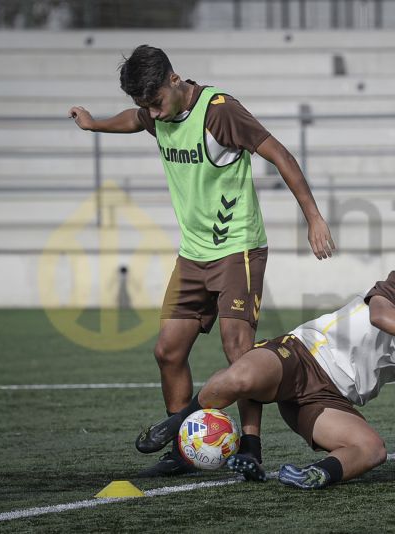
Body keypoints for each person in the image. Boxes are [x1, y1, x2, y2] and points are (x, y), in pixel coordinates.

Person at [69, 45, 335, 477]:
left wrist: (314, 218)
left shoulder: (219, 112)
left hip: (237, 251)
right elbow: (135, 121)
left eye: (155, 103)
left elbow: (281, 155)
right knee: (167, 351)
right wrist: (95, 124)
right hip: (192, 255)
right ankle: (182, 448)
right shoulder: (158, 116)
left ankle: (250, 448)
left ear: (174, 80)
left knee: (238, 351)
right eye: (145, 106)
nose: (152, 115)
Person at [136, 256, 395, 488]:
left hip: (328, 399)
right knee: (240, 377)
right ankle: (175, 424)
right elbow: (383, 317)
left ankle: (315, 476)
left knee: (372, 450)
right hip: (299, 355)